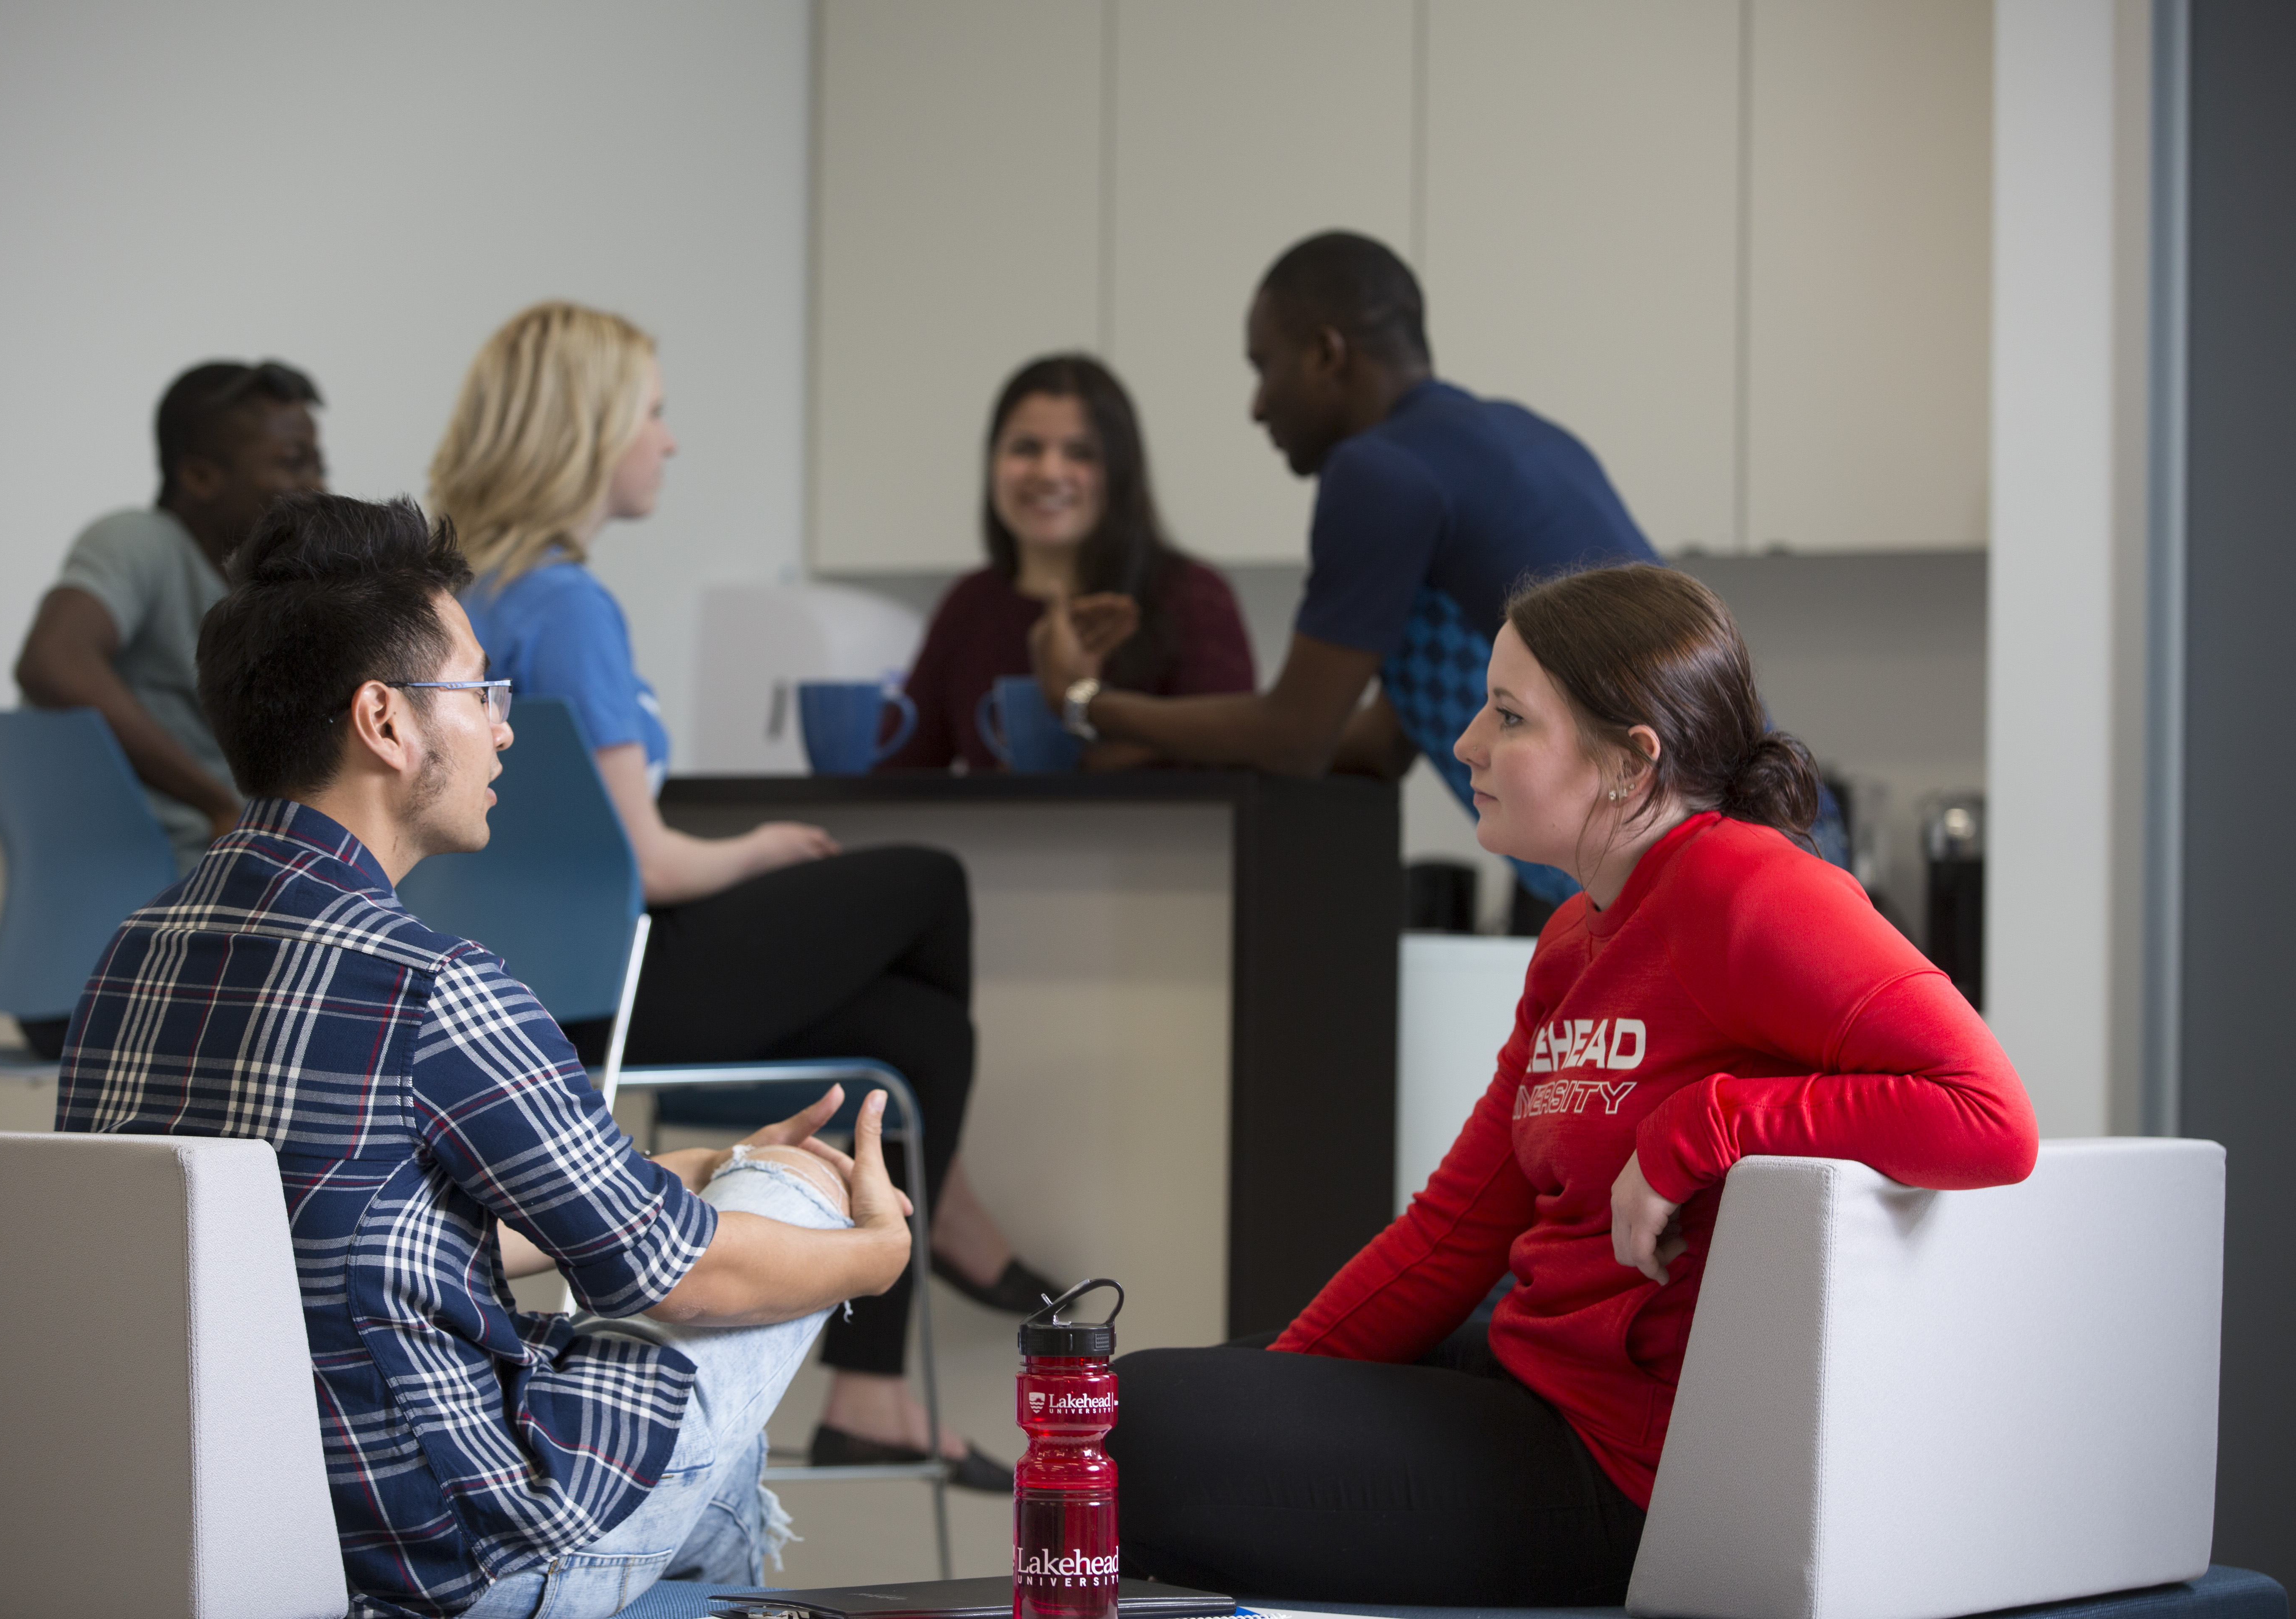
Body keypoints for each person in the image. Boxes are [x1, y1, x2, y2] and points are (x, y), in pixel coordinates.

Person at [1105, 565, 2038, 1606]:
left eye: (1506, 716)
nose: (1462, 743)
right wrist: (1274, 1397)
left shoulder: (1755, 892)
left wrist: (1702, 1123)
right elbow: (1452, 1229)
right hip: (1532, 1372)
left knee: (1133, 1419)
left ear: (1628, 763)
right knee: (1150, 1403)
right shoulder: (1573, 936)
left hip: (1622, 1466)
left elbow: (1987, 1118)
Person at [55, 492, 913, 1619]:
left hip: (246, 1530)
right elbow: (689, 1283)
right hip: (452, 1566)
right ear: (386, 721)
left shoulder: (133, 953)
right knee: (797, 1194)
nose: (504, 726)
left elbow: (321, 1241)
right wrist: (875, 1252)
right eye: (480, 690)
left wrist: (682, 1174)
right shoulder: (432, 986)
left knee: (710, 1368)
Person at [432, 302, 1053, 1490]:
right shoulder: (568, 606)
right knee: (928, 883)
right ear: (592, 427)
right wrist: (762, 845)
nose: (669, 440)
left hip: (527, 997)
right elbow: (653, 866)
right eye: (654, 414)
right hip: (612, 993)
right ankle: (949, 1208)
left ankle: (872, 1396)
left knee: (911, 1036)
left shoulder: (465, 601)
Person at [1026, 232, 1662, 923]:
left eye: (1264, 367)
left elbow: (1294, 737)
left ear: (1327, 355)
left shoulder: (1378, 473)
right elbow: (1378, 745)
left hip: (1669, 889)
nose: (1257, 406)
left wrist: (1082, 701)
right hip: (1735, 848)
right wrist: (1145, 752)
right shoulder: (1517, 438)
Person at [15, 361, 327, 876]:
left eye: (319, 465)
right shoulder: (139, 541)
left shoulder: (274, 589)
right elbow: (53, 660)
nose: (315, 486)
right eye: (294, 464)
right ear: (200, 477)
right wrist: (217, 803)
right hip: (173, 867)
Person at [884, 354, 1255, 770]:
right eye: (1026, 448)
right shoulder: (968, 606)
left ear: (1121, 470)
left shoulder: (1195, 597)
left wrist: (1079, 707)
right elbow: (897, 769)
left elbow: (1230, 758)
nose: (1049, 472)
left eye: (1081, 453)